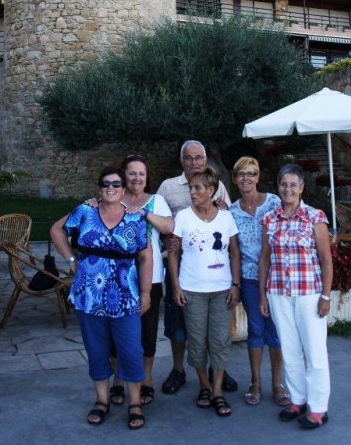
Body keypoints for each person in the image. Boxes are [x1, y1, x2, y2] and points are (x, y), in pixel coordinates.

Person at [50, 166, 152, 429]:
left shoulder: (135, 219)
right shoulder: (85, 212)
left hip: (126, 297)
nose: (111, 188)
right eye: (106, 183)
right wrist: (73, 261)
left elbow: (144, 256)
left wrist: (145, 292)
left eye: (116, 184)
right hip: (89, 296)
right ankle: (102, 400)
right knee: (96, 349)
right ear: (99, 187)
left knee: (130, 349)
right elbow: (56, 230)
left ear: (123, 189)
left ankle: (135, 402)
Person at [157, 139, 238, 395]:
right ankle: (179, 369)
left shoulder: (219, 186)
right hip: (181, 267)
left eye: (199, 158)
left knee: (213, 329)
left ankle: (216, 373)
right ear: (182, 162)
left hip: (213, 272)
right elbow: (157, 217)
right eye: (189, 158)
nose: (194, 162)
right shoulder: (168, 187)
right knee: (179, 324)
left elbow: (226, 218)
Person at [259, 164, 333, 430]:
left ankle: (319, 408)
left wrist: (325, 295)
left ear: (302, 187)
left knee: (314, 352)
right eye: (283, 184)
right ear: (278, 188)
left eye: (293, 185)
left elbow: (326, 259)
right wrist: (263, 296)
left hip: (308, 294)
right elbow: (265, 259)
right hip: (278, 293)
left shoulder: (315, 217)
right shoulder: (270, 218)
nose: (288, 189)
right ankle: (298, 400)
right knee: (289, 350)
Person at [168, 166, 241, 417]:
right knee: (197, 342)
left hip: (222, 290)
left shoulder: (226, 217)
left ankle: (218, 391)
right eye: (190, 188)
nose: (193, 192)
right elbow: (174, 253)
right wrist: (176, 286)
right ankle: (205, 386)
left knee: (220, 341)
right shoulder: (183, 217)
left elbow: (234, 252)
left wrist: (236, 284)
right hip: (192, 290)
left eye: (198, 188)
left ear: (211, 190)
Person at [107, 155, 173, 407]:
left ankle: (146, 381)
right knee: (116, 333)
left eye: (141, 174)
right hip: (117, 278)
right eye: (132, 173)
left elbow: (168, 226)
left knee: (146, 332)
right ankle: (118, 381)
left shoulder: (157, 201)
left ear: (147, 177)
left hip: (151, 278)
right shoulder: (113, 198)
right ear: (124, 176)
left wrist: (145, 213)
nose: (137, 178)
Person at [230, 157, 290, 407]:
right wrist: (235, 283)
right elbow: (234, 250)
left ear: (258, 177)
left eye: (251, 173)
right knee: (256, 330)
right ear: (234, 179)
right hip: (250, 278)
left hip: (276, 277)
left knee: (276, 331)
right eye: (241, 174)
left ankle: (278, 383)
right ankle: (255, 382)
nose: (246, 178)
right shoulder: (231, 211)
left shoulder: (274, 202)